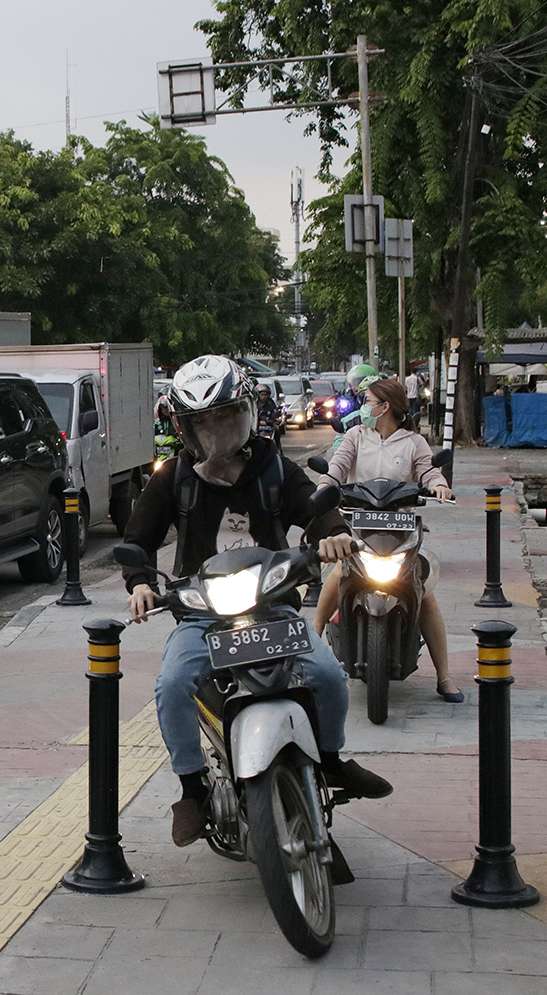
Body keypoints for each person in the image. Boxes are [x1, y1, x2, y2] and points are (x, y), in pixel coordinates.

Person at [122, 355, 393, 848]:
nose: (214, 432)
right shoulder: (173, 478)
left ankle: (330, 759)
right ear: (183, 428)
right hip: (202, 613)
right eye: (201, 422)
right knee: (173, 684)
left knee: (329, 676)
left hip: (274, 605)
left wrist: (334, 536)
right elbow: (138, 540)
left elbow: (316, 513)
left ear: (246, 413)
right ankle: (191, 789)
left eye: (224, 416)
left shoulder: (273, 468)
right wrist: (140, 582)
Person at [312, 376, 462, 702]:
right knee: (338, 574)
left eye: (368, 401)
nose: (364, 406)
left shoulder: (413, 442)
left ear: (385, 406)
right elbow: (337, 467)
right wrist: (325, 485)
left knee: (425, 593)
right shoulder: (356, 436)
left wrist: (438, 484)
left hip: (401, 528)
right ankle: (311, 645)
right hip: (358, 524)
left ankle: (444, 677)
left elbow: (428, 470)